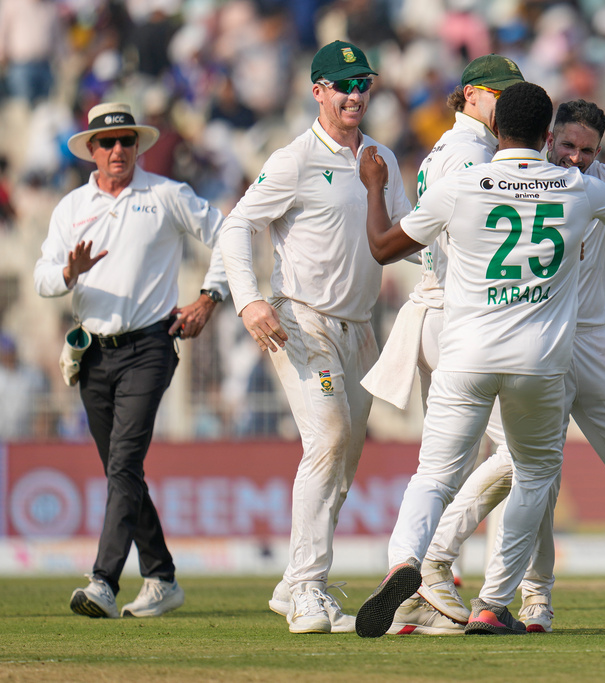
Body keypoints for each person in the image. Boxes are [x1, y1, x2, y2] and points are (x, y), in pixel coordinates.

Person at [352, 81, 605, 638]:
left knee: (433, 475)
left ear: (497, 131)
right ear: (546, 136)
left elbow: (384, 247)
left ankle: (406, 561)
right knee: (535, 474)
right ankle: (494, 601)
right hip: (539, 361)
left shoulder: (463, 183)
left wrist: (374, 186)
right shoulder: (576, 186)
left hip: (466, 356)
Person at [217, 40, 411, 635]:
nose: (356, 94)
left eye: (363, 84)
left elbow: (407, 233)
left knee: (346, 456)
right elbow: (237, 225)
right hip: (301, 319)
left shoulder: (380, 158)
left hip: (360, 327)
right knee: (327, 438)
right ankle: (306, 586)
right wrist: (250, 301)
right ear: (318, 91)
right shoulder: (295, 158)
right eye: (343, 85)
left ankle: (294, 582)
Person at [34, 102, 229, 619]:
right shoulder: (71, 206)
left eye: (125, 140)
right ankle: (161, 576)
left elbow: (228, 234)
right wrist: (69, 274)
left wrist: (211, 295)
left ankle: (103, 581)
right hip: (92, 352)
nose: (117, 150)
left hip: (149, 344)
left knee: (122, 464)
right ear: (91, 151)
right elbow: (42, 277)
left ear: (137, 145)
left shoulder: (165, 195)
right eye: (106, 143)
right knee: (121, 471)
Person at [358, 53, 524, 635]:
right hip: (463, 317)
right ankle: (434, 564)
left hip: (437, 311)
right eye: (500, 93)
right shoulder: (474, 153)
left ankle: (411, 595)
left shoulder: (446, 149)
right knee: (524, 457)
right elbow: (462, 234)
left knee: (448, 465)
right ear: (472, 94)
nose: (508, 102)